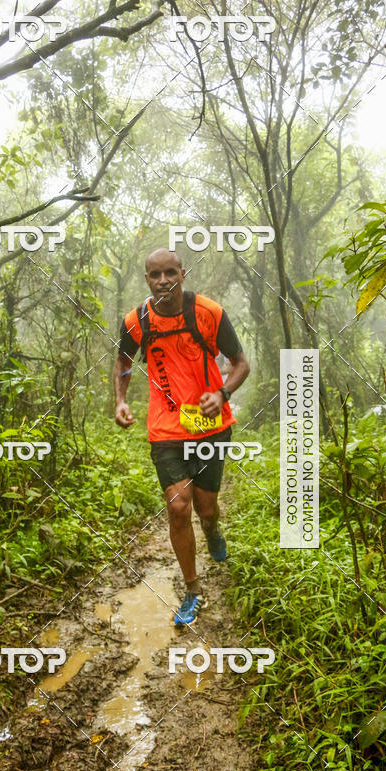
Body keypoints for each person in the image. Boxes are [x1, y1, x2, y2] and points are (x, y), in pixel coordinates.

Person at [113, 248, 250, 626]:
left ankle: (212, 530)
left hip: (211, 425)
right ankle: (192, 590)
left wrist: (222, 394)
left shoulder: (208, 312)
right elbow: (123, 363)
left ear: (182, 274)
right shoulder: (136, 319)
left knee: (205, 509)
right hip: (166, 428)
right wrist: (120, 400)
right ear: (146, 279)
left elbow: (242, 364)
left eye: (169, 273)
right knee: (178, 507)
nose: (162, 281)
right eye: (154, 275)